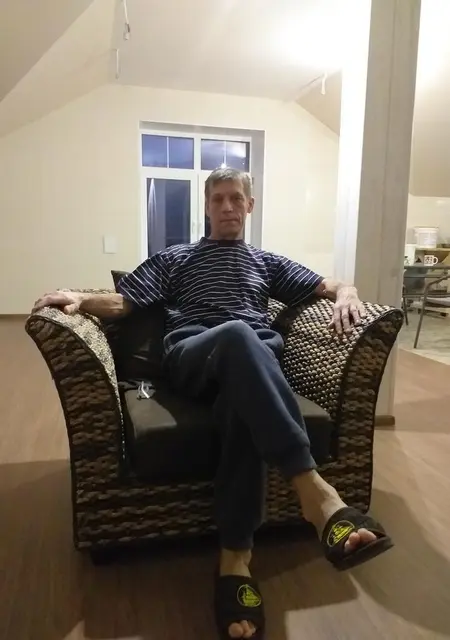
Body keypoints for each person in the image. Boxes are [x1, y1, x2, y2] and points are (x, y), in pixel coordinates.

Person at [33, 167, 393, 640]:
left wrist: (348, 292)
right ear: (206, 207)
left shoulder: (266, 262)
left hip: (252, 365)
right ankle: (315, 493)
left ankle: (235, 560)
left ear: (249, 205)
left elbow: (326, 285)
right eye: (218, 199)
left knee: (242, 401)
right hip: (193, 355)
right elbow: (124, 303)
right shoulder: (177, 257)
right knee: (240, 335)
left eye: (235, 198)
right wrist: (79, 298)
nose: (227, 207)